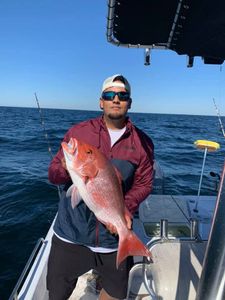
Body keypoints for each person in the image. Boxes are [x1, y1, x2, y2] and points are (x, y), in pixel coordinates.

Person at [47, 74, 154, 300]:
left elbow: (144, 183)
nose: (116, 99)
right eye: (109, 95)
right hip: (71, 233)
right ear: (101, 101)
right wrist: (67, 168)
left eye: (122, 95)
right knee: (57, 293)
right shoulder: (79, 132)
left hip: (111, 240)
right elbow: (53, 175)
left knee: (115, 294)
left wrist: (125, 208)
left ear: (129, 102)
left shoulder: (143, 144)